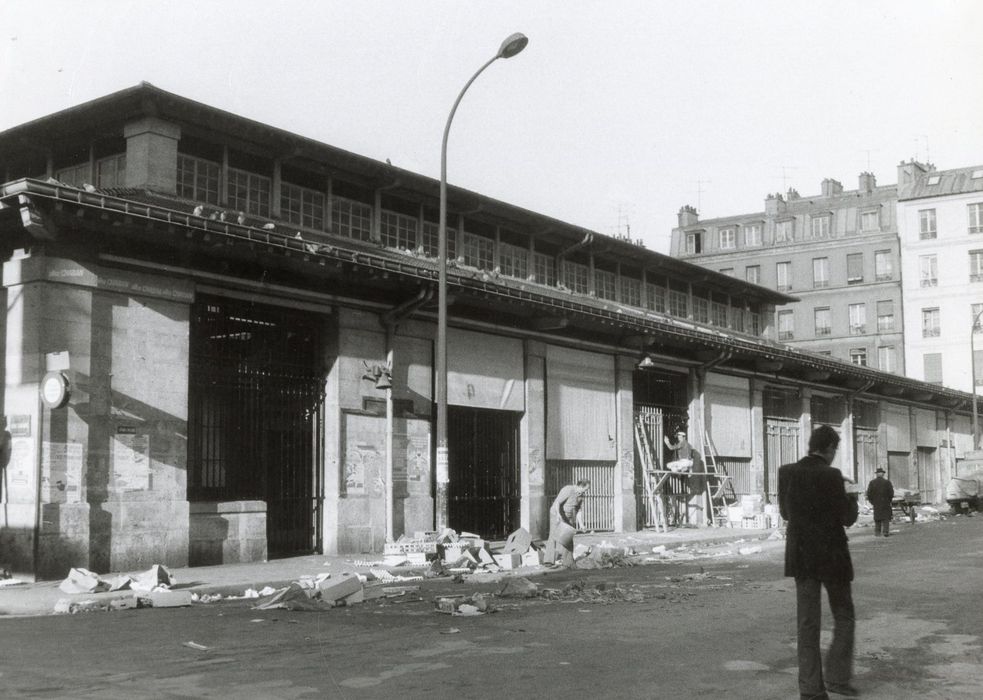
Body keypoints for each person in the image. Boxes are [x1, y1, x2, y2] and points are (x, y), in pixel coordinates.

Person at [778, 424, 860, 700]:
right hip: (832, 557)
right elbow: (846, 518)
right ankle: (837, 678)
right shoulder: (832, 475)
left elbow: (786, 513)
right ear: (830, 449)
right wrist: (852, 495)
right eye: (834, 450)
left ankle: (811, 690)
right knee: (844, 616)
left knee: (808, 623)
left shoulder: (786, 472)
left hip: (801, 557)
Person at [544, 479, 590, 568]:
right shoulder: (568, 489)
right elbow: (557, 502)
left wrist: (581, 524)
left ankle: (568, 561)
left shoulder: (581, 496)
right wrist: (558, 515)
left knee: (568, 537)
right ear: (580, 486)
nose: (586, 491)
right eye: (586, 489)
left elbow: (579, 511)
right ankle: (548, 561)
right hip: (557, 513)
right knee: (554, 535)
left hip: (569, 516)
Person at [866, 467, 895, 537]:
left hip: (876, 503)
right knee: (886, 518)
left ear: (877, 474)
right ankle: (885, 532)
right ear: (882, 474)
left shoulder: (872, 482)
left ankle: (877, 532)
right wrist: (889, 500)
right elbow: (891, 493)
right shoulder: (887, 482)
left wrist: (872, 501)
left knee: (877, 517)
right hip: (885, 502)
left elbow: (869, 494)